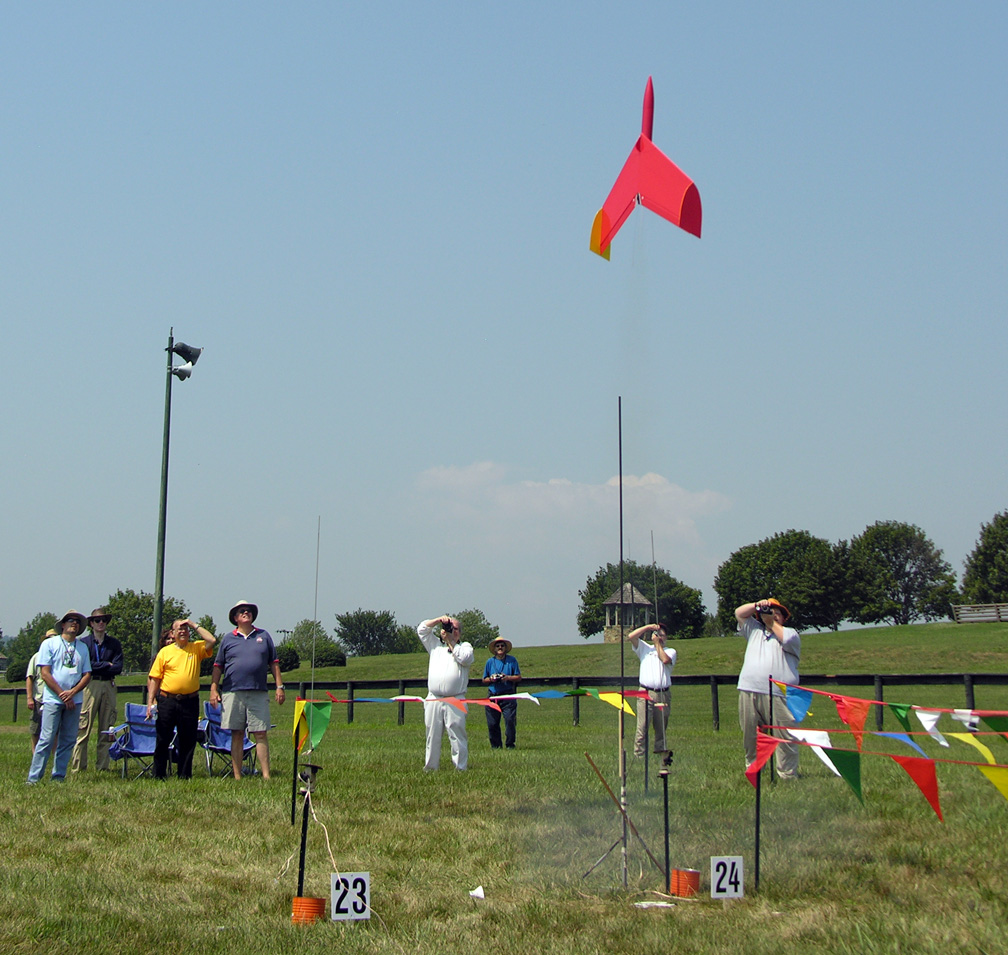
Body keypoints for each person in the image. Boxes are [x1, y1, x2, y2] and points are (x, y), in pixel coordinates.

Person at [209, 600, 285, 780]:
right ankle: (237, 776)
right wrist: (213, 688)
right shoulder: (228, 639)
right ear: (235, 618)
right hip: (232, 692)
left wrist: (279, 687)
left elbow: (274, 663)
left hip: (258, 691)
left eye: (249, 610)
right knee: (237, 733)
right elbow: (218, 666)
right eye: (242, 611)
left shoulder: (263, 636)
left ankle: (266, 776)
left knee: (260, 733)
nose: (246, 612)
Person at [735, 598, 801, 779]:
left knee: (785, 736)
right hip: (749, 689)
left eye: (777, 613)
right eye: (770, 612)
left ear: (784, 618)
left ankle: (787, 774)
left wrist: (771, 623)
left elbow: (787, 639)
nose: (773, 615)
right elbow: (739, 613)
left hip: (780, 693)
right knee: (751, 735)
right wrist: (757, 605)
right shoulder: (754, 630)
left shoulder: (791, 633)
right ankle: (754, 770)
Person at [147, 618, 217, 779]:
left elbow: (212, 640)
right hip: (167, 700)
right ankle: (159, 775)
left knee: (188, 740)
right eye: (179, 628)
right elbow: (155, 678)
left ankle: (184, 776)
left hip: (189, 701)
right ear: (173, 633)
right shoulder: (165, 652)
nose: (183, 631)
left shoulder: (196, 648)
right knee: (163, 738)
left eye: (186, 629)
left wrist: (193, 624)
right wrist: (150, 702)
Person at [27, 611, 92, 783]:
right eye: (70, 620)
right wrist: (62, 694)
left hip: (75, 701)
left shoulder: (82, 648)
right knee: (46, 738)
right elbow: (45, 673)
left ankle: (58, 777)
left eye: (77, 622)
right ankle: (33, 778)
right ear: (62, 625)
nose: (74, 623)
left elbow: (87, 675)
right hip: (52, 700)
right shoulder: (49, 644)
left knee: (68, 740)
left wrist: (72, 693)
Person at [417, 615, 474, 770]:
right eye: (449, 628)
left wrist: (451, 642)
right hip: (434, 698)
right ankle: (430, 767)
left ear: (459, 632)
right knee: (432, 735)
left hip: (455, 699)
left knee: (457, 734)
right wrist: (438, 620)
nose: (451, 631)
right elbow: (422, 630)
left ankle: (460, 767)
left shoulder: (465, 647)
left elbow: (465, 658)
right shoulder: (435, 645)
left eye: (455, 629)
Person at [72, 606, 124, 772]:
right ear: (91, 624)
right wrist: (106, 664)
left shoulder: (114, 644)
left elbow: (118, 668)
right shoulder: (83, 644)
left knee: (107, 728)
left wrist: (99, 666)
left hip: (108, 684)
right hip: (89, 685)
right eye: (97, 620)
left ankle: (103, 766)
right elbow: (84, 666)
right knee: (83, 727)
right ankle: (78, 767)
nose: (101, 623)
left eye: (103, 620)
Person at [627, 622, 676, 766]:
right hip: (645, 693)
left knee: (661, 726)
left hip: (662, 694)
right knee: (642, 726)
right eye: (657, 634)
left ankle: (661, 755)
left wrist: (657, 644)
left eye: (662, 635)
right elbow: (631, 636)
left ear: (666, 637)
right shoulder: (644, 649)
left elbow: (665, 660)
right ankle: (638, 756)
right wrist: (648, 627)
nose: (660, 637)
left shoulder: (670, 651)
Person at [481, 636, 521, 749]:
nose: (500, 647)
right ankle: (496, 746)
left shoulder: (512, 661)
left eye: (502, 645)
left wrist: (507, 678)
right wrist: (492, 679)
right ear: (494, 649)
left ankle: (510, 744)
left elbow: (518, 677)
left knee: (510, 720)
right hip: (493, 696)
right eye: (497, 646)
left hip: (508, 695)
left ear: (505, 648)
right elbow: (484, 679)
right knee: (492, 723)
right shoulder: (490, 662)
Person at [25, 628, 57, 753]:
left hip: (55, 699)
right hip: (39, 699)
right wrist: (29, 698)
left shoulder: (60, 657)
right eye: (49, 639)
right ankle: (35, 754)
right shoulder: (37, 657)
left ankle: (54, 755)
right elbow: (30, 677)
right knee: (36, 729)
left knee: (55, 730)